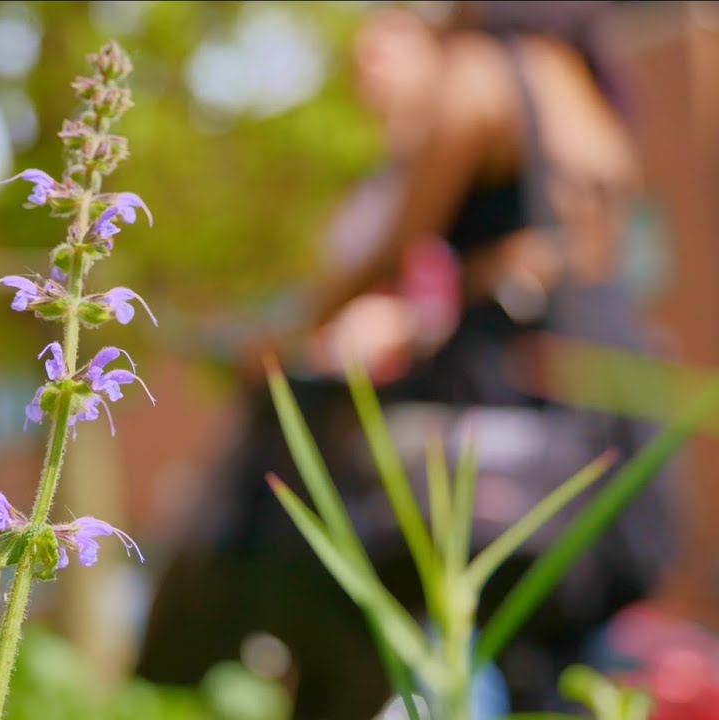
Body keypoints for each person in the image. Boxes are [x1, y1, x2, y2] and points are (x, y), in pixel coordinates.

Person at [136, 2, 677, 716]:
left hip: (497, 417)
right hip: (598, 405)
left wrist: (292, 329)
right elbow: (563, 256)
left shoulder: (477, 78)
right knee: (551, 665)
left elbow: (394, 243)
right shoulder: (579, 94)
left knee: (340, 574)